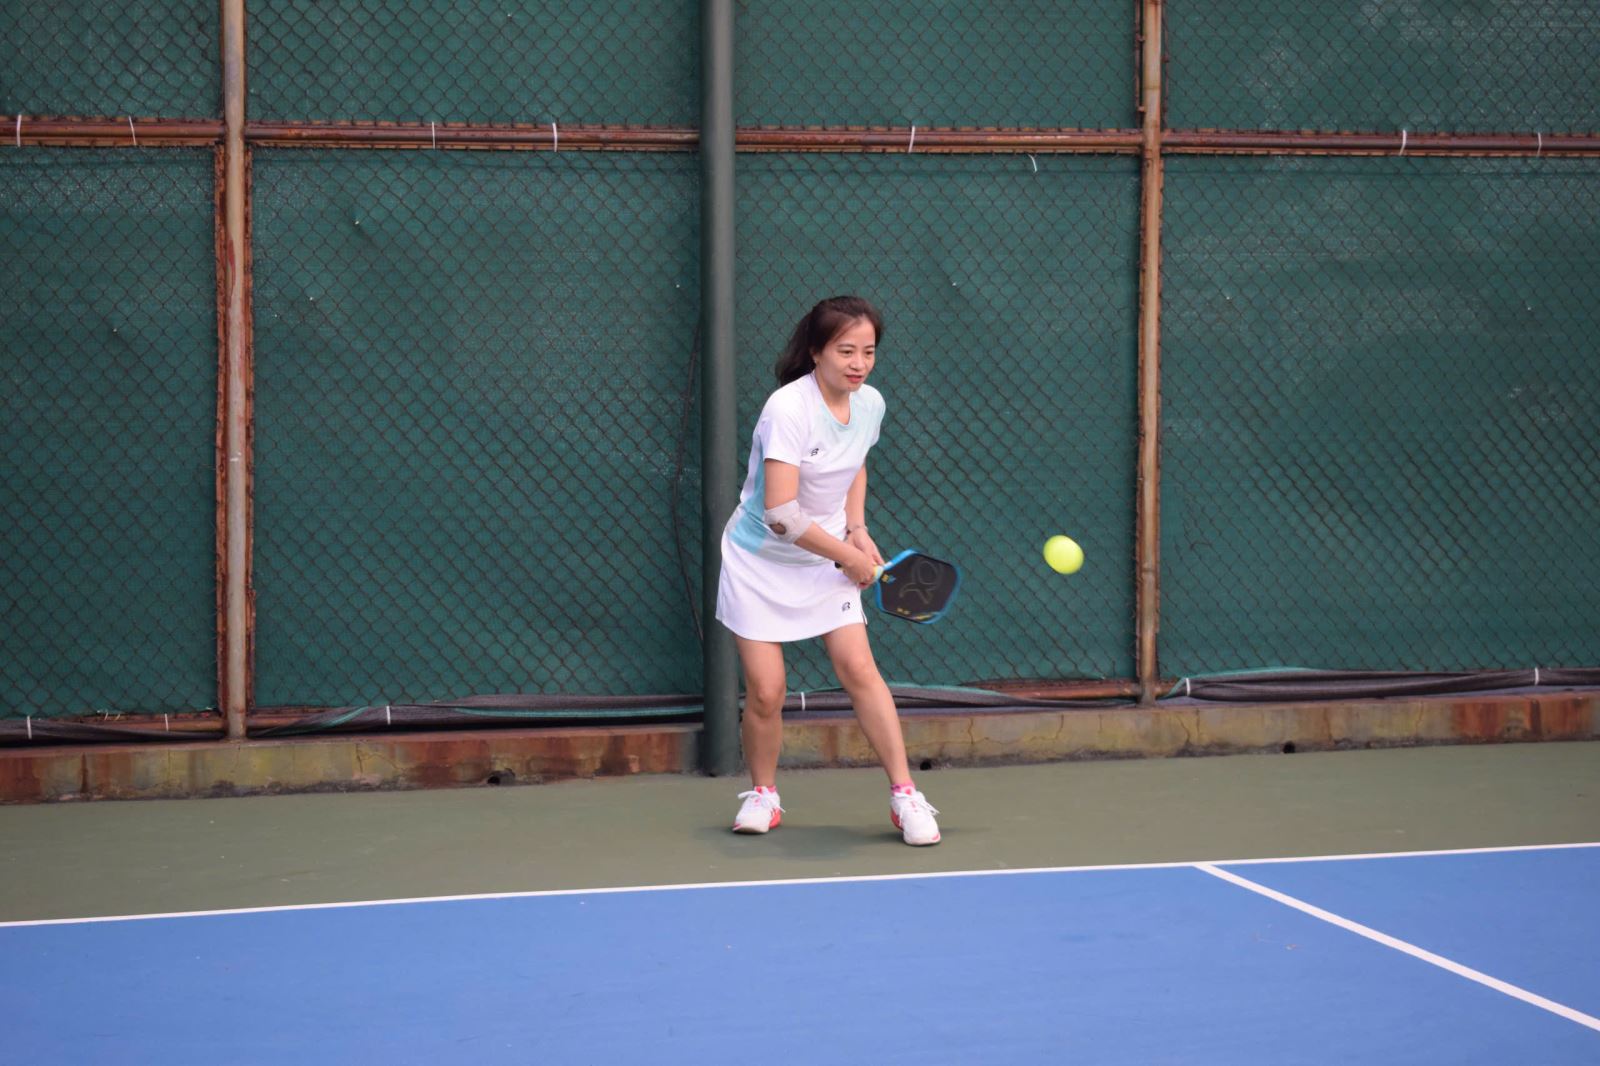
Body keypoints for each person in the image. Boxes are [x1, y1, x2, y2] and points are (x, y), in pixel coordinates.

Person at [715, 296, 941, 846]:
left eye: (868, 351)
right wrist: (847, 555)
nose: (859, 363)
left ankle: (906, 795)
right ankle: (763, 795)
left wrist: (856, 528)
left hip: (828, 555)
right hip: (760, 561)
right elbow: (781, 514)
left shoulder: (870, 404)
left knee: (860, 668)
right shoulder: (787, 409)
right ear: (816, 351)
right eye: (846, 351)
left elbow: (854, 461)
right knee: (766, 690)